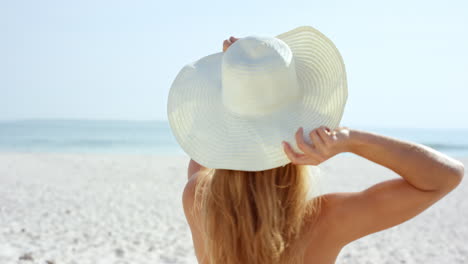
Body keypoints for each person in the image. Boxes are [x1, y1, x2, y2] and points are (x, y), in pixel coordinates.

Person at [171, 32, 465, 264]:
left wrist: (237, 78)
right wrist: (350, 140)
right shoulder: (327, 220)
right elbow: (446, 176)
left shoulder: (198, 199)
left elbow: (207, 143)